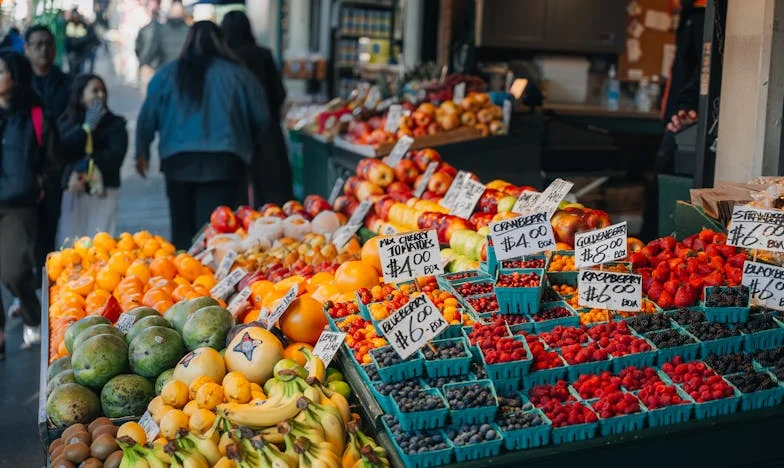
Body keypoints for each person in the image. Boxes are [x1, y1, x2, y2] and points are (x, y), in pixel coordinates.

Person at [135, 21, 269, 250]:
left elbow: (147, 117)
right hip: (225, 162)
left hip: (178, 162)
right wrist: (249, 142)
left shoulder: (166, 75)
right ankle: (213, 281)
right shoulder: (239, 75)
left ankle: (183, 278)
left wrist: (142, 151)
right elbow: (261, 117)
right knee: (218, 235)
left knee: (182, 231)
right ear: (222, 43)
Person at [0, 50, 62, 356]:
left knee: (13, 271)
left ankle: (31, 311)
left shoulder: (35, 114)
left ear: (15, 77)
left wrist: (37, 186)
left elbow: (53, 161)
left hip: (18, 206)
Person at [641, 0, 705, 240]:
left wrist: (685, 109)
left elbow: (703, 71)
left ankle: (654, 249)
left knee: (663, 193)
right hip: (676, 120)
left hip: (683, 124)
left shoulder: (701, 18)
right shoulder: (689, 16)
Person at [222, 10, 293, 206]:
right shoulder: (264, 55)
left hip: (235, 135)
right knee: (274, 195)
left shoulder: (225, 61)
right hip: (268, 133)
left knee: (240, 200)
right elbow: (279, 93)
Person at [25, 24, 72, 289]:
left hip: (56, 172)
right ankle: (28, 291)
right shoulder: (19, 84)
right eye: (37, 44)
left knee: (49, 236)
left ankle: (48, 289)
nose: (43, 49)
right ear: (27, 49)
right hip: (25, 174)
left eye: (48, 44)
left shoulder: (66, 83)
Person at [58, 74, 128, 244]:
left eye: (103, 91)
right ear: (81, 96)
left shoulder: (116, 124)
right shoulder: (66, 123)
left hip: (104, 191)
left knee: (100, 241)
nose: (100, 96)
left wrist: (84, 165)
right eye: (94, 91)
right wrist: (86, 129)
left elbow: (114, 156)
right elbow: (61, 151)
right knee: (71, 243)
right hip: (74, 192)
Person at [135, 0, 161, 90]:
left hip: (145, 66)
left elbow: (137, 48)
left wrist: (142, 62)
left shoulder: (143, 29)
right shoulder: (163, 29)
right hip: (157, 66)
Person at [65, 9, 97, 74]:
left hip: (81, 52)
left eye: (76, 15)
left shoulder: (83, 24)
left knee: (80, 70)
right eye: (74, 15)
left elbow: (88, 37)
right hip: (72, 51)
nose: (75, 17)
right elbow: (68, 39)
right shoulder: (68, 24)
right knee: (72, 70)